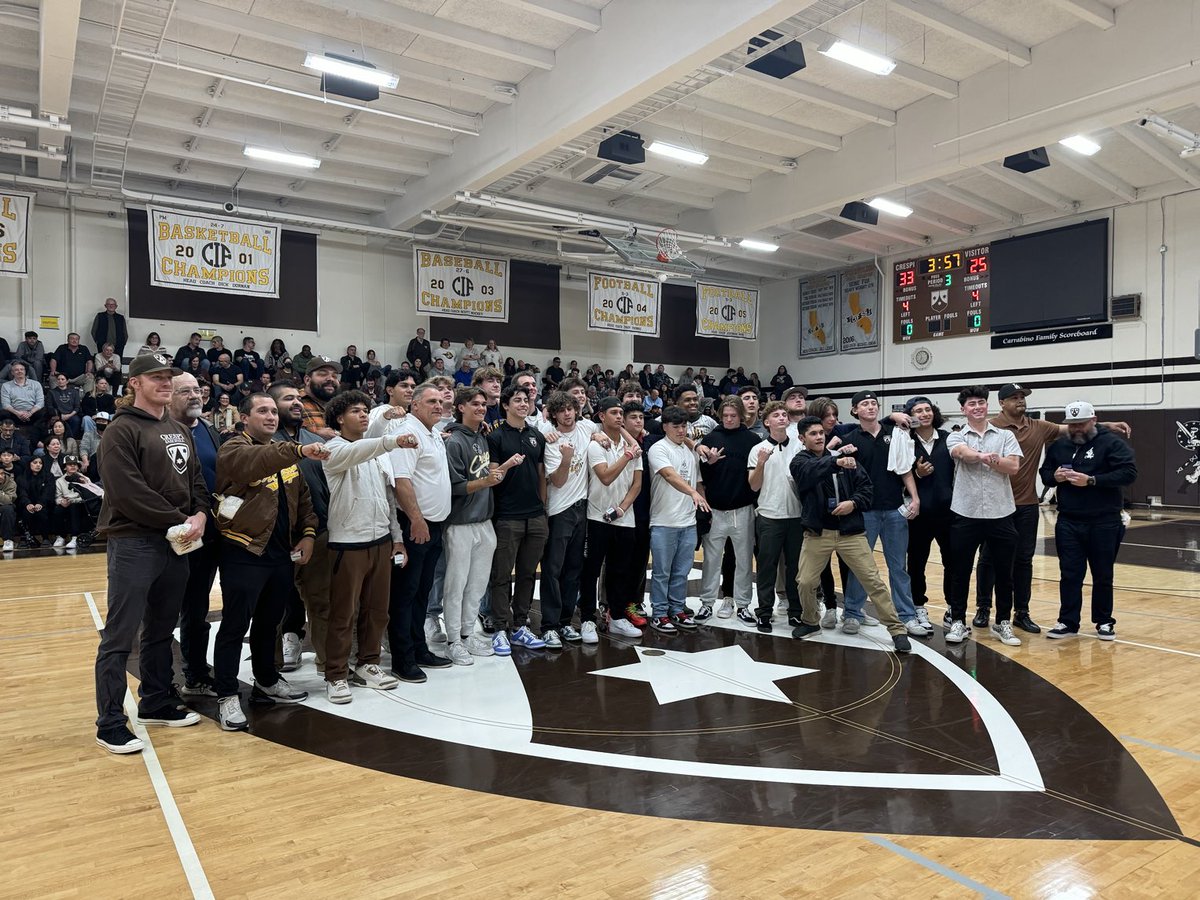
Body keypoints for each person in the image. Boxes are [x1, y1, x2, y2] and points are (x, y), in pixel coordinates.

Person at [93, 352, 209, 754]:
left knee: (161, 630)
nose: (164, 383)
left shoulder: (178, 428)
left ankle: (156, 702)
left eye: (168, 377)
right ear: (135, 383)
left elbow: (195, 481)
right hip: (134, 542)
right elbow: (128, 492)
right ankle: (110, 722)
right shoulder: (120, 430)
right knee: (120, 636)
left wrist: (200, 514)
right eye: (155, 377)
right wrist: (181, 520)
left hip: (176, 543)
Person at [972, 383, 1131, 635]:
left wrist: (1108, 426)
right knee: (989, 559)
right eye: (1014, 397)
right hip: (995, 504)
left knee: (1023, 560)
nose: (1020, 400)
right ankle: (983, 608)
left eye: (1022, 396)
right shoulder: (990, 427)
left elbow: (1077, 426)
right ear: (1001, 403)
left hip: (1027, 504)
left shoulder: (1039, 427)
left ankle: (1021, 612)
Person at [211, 392, 324, 730]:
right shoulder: (233, 448)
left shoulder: (284, 453)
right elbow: (257, 461)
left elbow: (304, 500)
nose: (271, 416)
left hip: (280, 554)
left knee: (269, 622)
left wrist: (307, 534)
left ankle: (266, 680)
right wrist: (298, 450)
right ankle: (227, 694)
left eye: (274, 411)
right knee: (234, 626)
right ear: (244, 418)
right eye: (263, 411)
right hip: (243, 550)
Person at [320, 391, 417, 704]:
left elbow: (388, 499)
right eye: (355, 411)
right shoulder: (333, 449)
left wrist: (396, 536)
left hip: (380, 541)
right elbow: (359, 451)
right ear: (339, 418)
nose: (363, 415)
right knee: (343, 614)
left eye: (365, 410)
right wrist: (392, 441)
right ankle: (336, 674)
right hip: (347, 542)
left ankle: (368, 664)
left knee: (377, 611)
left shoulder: (375, 452)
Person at [789, 416, 912, 653]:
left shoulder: (848, 460)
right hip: (818, 533)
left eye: (821, 433)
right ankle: (811, 621)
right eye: (813, 434)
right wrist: (836, 461)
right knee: (805, 581)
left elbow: (867, 489)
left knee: (873, 581)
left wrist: (853, 503)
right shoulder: (800, 461)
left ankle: (897, 630)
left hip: (850, 532)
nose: (819, 437)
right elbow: (809, 473)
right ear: (802, 438)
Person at [1040, 401, 1138, 640]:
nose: (1076, 429)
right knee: (1070, 573)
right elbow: (1045, 474)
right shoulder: (1059, 446)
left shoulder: (1111, 443)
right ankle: (1067, 621)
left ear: (1093, 420)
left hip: (1104, 520)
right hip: (1069, 520)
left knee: (1102, 574)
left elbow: (1128, 473)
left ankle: (1104, 621)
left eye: (1081, 424)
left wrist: (1092, 480)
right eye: (1072, 425)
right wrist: (1055, 477)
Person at [838, 390, 926, 637]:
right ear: (855, 410)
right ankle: (852, 612)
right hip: (864, 511)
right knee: (860, 566)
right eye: (865, 404)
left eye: (874, 403)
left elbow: (905, 468)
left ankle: (907, 616)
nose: (870, 407)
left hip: (894, 510)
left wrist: (915, 498)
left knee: (898, 566)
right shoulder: (850, 439)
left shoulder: (894, 433)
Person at [943, 386, 1023, 647]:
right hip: (965, 512)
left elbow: (1013, 466)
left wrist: (989, 460)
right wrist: (985, 456)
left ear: (988, 406)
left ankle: (1003, 622)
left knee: (1004, 572)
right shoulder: (956, 436)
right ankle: (958, 621)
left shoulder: (1005, 435)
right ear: (963, 409)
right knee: (960, 570)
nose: (977, 407)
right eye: (971, 404)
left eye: (981, 402)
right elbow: (962, 454)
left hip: (1001, 512)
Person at [387, 382, 454, 682]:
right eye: (431, 401)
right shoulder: (407, 433)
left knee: (422, 592)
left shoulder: (433, 433)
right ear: (414, 405)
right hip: (414, 524)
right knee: (405, 593)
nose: (439, 406)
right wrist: (416, 519)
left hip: (434, 525)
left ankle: (418, 648)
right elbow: (402, 482)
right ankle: (402, 658)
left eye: (440, 401)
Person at [442, 386, 513, 664]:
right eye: (475, 404)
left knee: (478, 584)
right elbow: (455, 486)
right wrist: (485, 481)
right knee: (456, 585)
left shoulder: (481, 436)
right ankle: (453, 640)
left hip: (484, 521)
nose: (481, 408)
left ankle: (468, 632)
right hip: (460, 522)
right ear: (461, 407)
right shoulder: (454, 441)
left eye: (483, 404)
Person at [168, 373, 225, 698]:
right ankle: (164, 684)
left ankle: (196, 674)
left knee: (197, 607)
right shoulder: (160, 431)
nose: (195, 395)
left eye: (197, 390)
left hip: (213, 532)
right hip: (177, 534)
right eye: (185, 391)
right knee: (171, 610)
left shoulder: (208, 429)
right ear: (168, 396)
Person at [270, 381, 332, 673]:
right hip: (276, 537)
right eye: (287, 399)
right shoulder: (263, 442)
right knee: (276, 604)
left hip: (317, 533)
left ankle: (329, 665)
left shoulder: (315, 439)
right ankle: (272, 668)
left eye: (297, 398)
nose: (296, 403)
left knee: (322, 600)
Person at [486, 384, 548, 653]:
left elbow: (541, 474)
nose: (523, 404)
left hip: (535, 516)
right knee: (501, 575)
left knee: (527, 574)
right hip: (507, 517)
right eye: (517, 400)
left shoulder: (537, 436)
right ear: (506, 405)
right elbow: (492, 476)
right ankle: (500, 627)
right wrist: (507, 465)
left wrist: (542, 508)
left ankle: (521, 625)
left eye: (526, 400)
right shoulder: (495, 437)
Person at [581, 397, 643, 637]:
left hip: (625, 518)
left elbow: (637, 484)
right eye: (614, 412)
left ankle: (616, 616)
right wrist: (627, 456)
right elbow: (605, 477)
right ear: (601, 416)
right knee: (591, 571)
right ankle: (587, 619)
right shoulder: (597, 445)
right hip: (597, 517)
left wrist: (622, 509)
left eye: (620, 413)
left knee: (620, 570)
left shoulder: (632, 446)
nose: (618, 417)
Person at [539, 390, 596, 647]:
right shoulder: (552, 440)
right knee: (553, 569)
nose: (567, 414)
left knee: (574, 568)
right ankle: (549, 625)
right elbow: (559, 481)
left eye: (570, 408)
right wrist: (566, 459)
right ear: (554, 414)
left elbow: (600, 429)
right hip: (559, 511)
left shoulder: (586, 428)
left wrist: (600, 436)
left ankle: (564, 622)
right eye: (561, 410)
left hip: (581, 508)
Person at [696, 397, 759, 624]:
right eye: (725, 416)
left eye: (733, 415)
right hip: (715, 510)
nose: (729, 419)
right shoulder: (711, 438)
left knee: (744, 560)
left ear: (741, 415)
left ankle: (743, 605)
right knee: (711, 561)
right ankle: (706, 603)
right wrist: (709, 463)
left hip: (743, 509)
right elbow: (701, 475)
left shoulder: (753, 440)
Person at [647, 405, 709, 634]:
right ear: (665, 427)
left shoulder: (690, 451)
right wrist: (692, 493)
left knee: (682, 571)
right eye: (676, 426)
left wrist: (702, 501)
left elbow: (697, 481)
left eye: (684, 426)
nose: (681, 431)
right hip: (663, 521)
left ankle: (676, 609)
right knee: (662, 572)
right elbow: (669, 475)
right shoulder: (658, 449)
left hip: (688, 522)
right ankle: (659, 613)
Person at [749, 401, 804, 630]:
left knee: (795, 568)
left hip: (796, 516)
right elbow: (754, 486)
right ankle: (764, 611)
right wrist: (761, 464)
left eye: (784, 414)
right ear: (767, 422)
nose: (782, 417)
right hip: (769, 516)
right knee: (767, 566)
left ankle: (795, 611)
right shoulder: (758, 449)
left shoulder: (800, 447)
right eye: (776, 415)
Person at [905, 396, 953, 633]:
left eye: (927, 409)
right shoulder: (905, 441)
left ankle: (954, 607)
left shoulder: (949, 439)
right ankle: (918, 606)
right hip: (919, 515)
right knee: (916, 563)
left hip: (948, 513)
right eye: (918, 411)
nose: (924, 414)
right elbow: (897, 476)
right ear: (910, 416)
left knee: (952, 562)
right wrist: (918, 474)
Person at [54, 455, 100, 549]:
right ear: (65, 467)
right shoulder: (59, 481)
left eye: (75, 464)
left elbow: (89, 495)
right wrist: (61, 501)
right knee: (57, 510)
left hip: (81, 504)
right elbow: (57, 497)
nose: (73, 466)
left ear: (78, 467)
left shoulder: (85, 479)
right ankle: (61, 537)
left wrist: (72, 500)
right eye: (69, 464)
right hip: (66, 504)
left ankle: (75, 537)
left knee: (74, 507)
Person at [299, 356, 341, 440]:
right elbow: (285, 436)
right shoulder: (294, 402)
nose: (330, 379)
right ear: (307, 380)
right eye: (323, 374)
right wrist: (316, 435)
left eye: (334, 376)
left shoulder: (339, 406)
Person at [17, 454, 54, 546]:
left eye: (40, 463)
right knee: (25, 512)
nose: (38, 465)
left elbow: (48, 492)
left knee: (42, 511)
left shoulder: (48, 476)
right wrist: (27, 504)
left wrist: (41, 503)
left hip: (43, 504)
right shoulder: (21, 477)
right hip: (27, 504)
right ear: (29, 464)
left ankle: (45, 538)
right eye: (35, 462)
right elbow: (22, 493)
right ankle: (25, 538)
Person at [1, 362, 45, 436]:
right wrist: (18, 413)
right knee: (3, 413)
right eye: (16, 370)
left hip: (32, 414)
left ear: (25, 371)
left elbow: (40, 403)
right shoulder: (6, 386)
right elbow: (6, 404)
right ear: (12, 372)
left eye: (21, 369)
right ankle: (6, 436)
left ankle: (40, 437)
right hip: (15, 414)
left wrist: (30, 413)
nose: (19, 371)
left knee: (44, 412)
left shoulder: (36, 384)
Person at [48, 372, 84, 439]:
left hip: (71, 415)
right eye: (58, 379)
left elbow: (77, 407)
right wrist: (59, 415)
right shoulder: (51, 392)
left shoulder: (74, 392)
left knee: (76, 420)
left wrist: (69, 415)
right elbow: (50, 406)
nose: (60, 381)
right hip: (57, 415)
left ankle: (71, 439)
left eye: (62, 379)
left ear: (67, 381)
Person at [0, 465, 18, 552]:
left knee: (8, 509)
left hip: (5, 506)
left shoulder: (11, 483)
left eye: (2, 474)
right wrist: (3, 494)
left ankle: (8, 540)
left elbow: (8, 500)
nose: (0, 476)